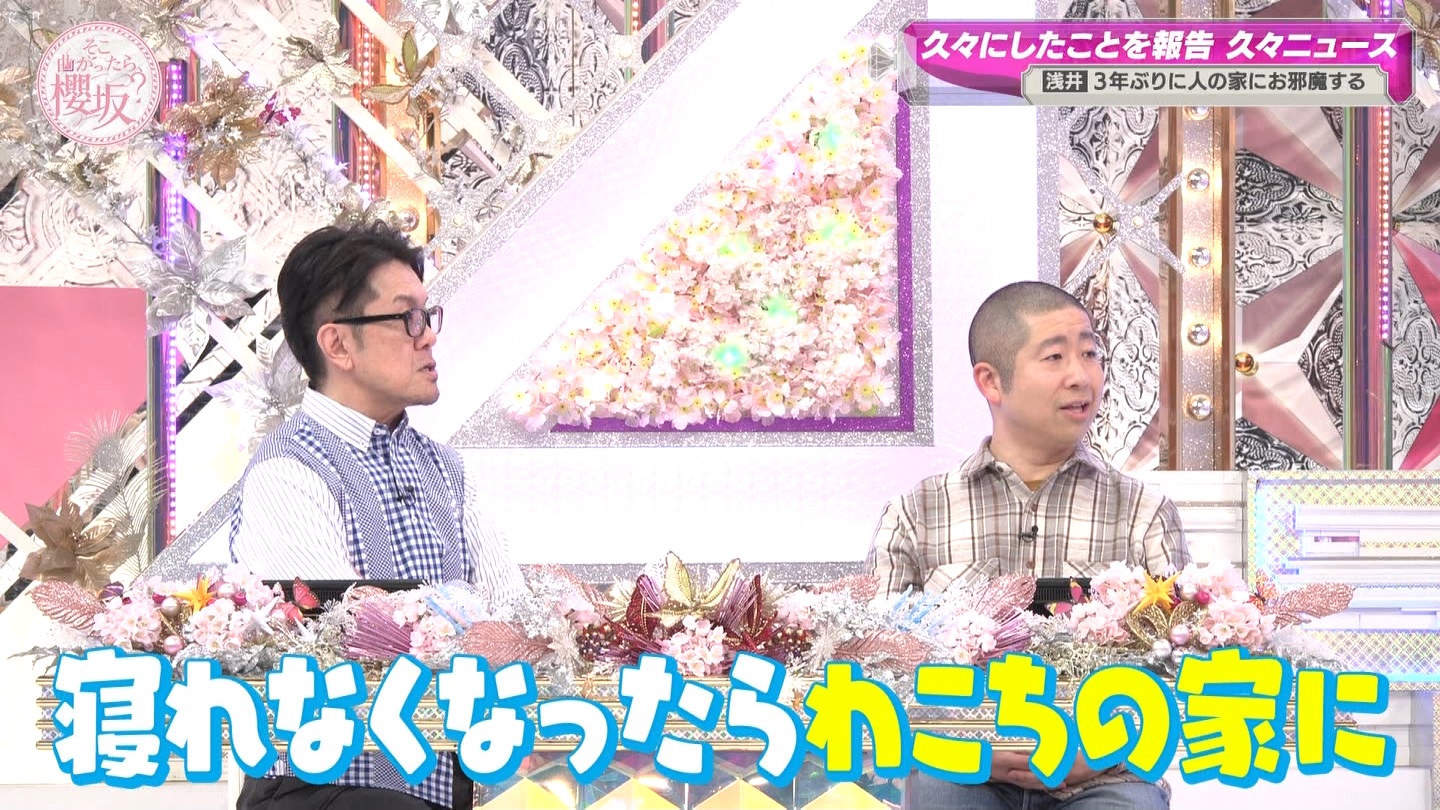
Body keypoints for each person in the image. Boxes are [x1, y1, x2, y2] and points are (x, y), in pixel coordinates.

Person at [230, 223, 527, 810]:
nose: (428, 337)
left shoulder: (445, 468)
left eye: (428, 315)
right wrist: (469, 629)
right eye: (407, 318)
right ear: (338, 345)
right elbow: (344, 645)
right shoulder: (288, 472)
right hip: (323, 783)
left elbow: (515, 619)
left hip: (444, 780)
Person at [865, 281, 1191, 810]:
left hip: (1103, 772)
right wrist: (968, 745)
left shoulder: (1143, 512)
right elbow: (875, 662)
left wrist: (1103, 748)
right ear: (991, 381)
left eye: (1090, 353)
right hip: (962, 768)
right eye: (1055, 357)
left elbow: (1183, 665)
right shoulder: (917, 513)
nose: (1081, 376)